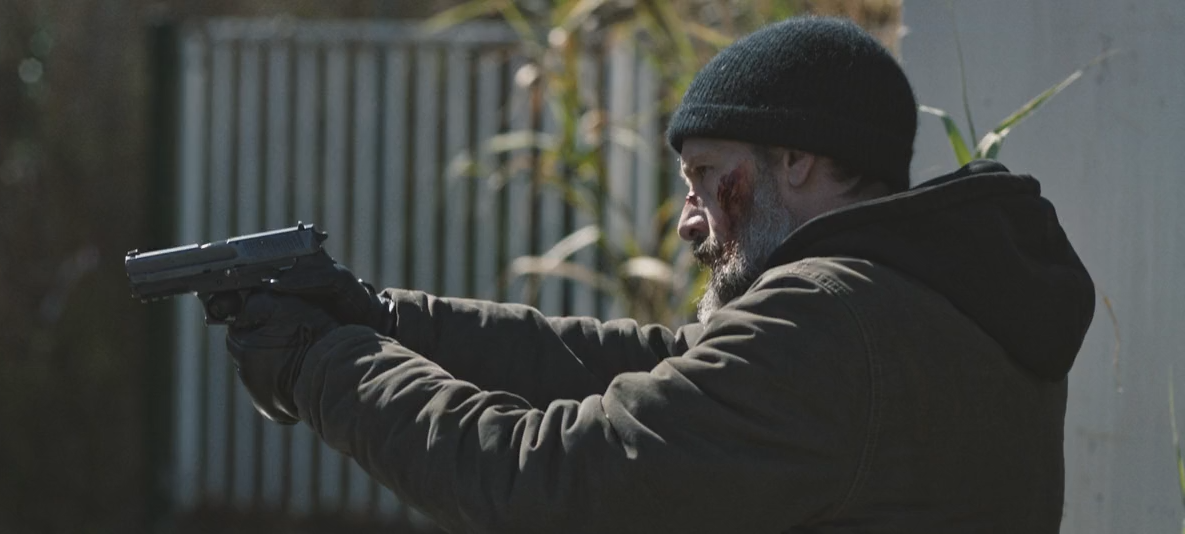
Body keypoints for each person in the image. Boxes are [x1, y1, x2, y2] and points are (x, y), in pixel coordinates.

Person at [224, 16, 1095, 533]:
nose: (687, 221)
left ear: (796, 160)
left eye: (708, 176)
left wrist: (320, 365)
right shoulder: (933, 301)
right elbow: (658, 365)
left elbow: (549, 484)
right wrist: (384, 320)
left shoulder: (832, 320)